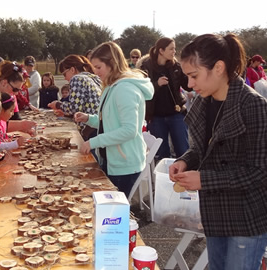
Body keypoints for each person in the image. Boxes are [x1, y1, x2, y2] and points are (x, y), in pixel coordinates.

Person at [169, 33, 267, 270]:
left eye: (194, 76)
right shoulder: (205, 100)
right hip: (215, 214)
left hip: (246, 219)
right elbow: (202, 150)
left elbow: (259, 172)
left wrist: (204, 179)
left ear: (219, 67)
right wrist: (185, 160)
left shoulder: (253, 105)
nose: (190, 84)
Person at [75, 42, 153, 197]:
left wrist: (93, 142)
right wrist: (89, 119)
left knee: (115, 212)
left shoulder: (125, 89)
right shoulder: (112, 86)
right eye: (94, 67)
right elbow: (109, 123)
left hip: (125, 165)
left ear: (112, 64)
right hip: (112, 160)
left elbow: (129, 130)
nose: (95, 72)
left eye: (98, 67)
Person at [140, 37, 191, 160]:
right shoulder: (146, 67)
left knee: (183, 150)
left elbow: (187, 86)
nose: (174, 51)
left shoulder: (176, 66)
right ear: (161, 51)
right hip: (156, 116)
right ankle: (165, 178)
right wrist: (156, 84)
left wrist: (192, 73)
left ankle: (183, 177)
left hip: (176, 113)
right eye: (171, 49)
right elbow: (141, 90)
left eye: (174, 48)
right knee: (161, 153)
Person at [48, 54, 102, 141]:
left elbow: (74, 108)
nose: (65, 78)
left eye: (64, 74)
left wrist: (58, 104)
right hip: (98, 125)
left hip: (90, 129)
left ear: (72, 69)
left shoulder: (77, 78)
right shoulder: (94, 77)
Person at [0, 61, 37, 132]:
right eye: (15, 89)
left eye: (19, 90)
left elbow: (16, 117)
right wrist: (22, 125)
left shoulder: (12, 95)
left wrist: (26, 127)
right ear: (4, 83)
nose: (16, 93)